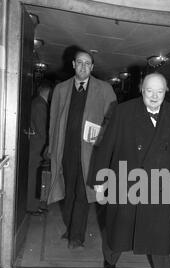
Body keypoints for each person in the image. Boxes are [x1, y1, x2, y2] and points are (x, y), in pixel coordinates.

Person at [91, 73, 170, 268]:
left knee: (160, 235)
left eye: (159, 91)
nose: (154, 96)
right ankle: (110, 259)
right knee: (118, 227)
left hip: (160, 186)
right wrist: (100, 182)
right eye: (149, 90)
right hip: (126, 182)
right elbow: (107, 147)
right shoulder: (123, 111)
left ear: (166, 91)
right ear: (142, 89)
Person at [47, 50, 117, 248]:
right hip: (65, 150)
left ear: (92, 67)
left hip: (90, 153)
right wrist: (52, 148)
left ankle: (76, 236)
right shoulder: (61, 89)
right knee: (67, 192)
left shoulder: (104, 89)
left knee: (83, 192)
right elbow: (53, 120)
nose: (84, 66)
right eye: (80, 62)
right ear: (73, 64)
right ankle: (71, 228)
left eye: (88, 63)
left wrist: (101, 138)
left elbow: (113, 121)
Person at [27, 81, 52, 215]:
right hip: (38, 147)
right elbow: (42, 128)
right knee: (34, 177)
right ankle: (31, 206)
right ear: (47, 91)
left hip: (37, 146)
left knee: (37, 177)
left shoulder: (39, 103)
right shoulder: (40, 105)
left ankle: (36, 204)